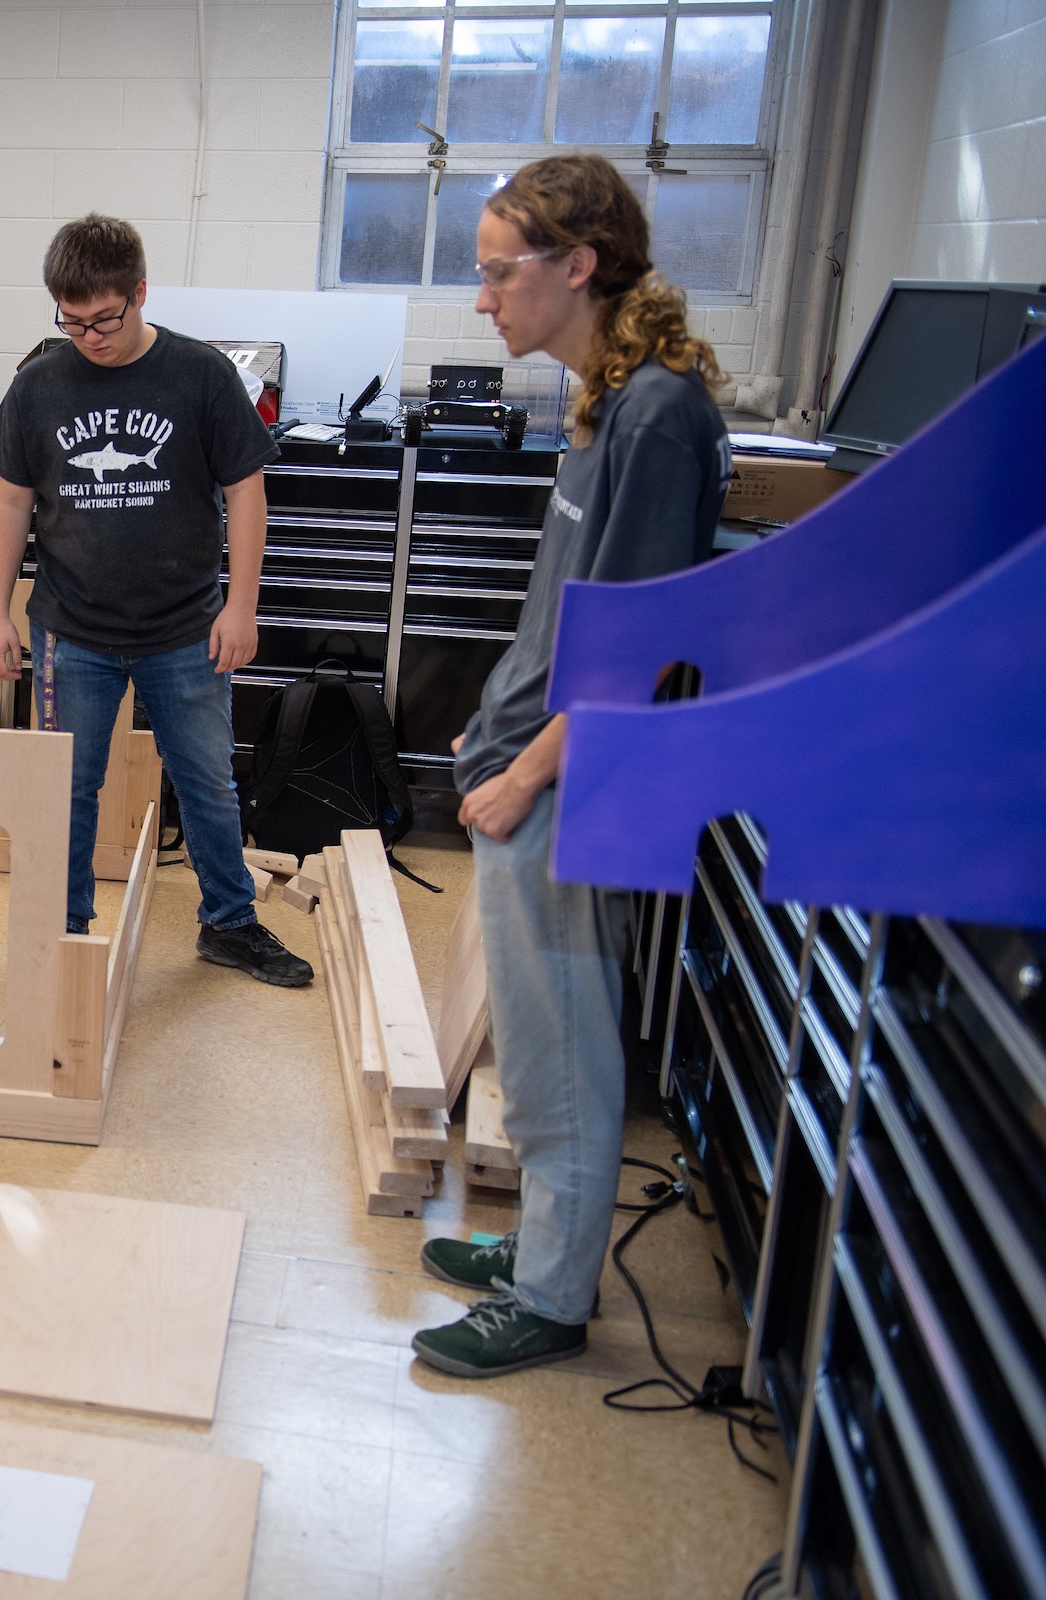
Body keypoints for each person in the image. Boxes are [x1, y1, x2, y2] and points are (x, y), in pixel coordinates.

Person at [411, 155, 731, 1378]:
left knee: (562, 1041)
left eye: (499, 272)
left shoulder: (658, 413)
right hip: (527, 754)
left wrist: (528, 770)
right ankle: (544, 1239)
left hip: (572, 780)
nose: (484, 298)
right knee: (533, 1039)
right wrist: (495, 721)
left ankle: (551, 1294)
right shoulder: (601, 395)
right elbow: (569, 615)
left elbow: (638, 651)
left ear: (578, 264)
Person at [0, 214, 312, 987]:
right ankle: (62, 933)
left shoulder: (199, 376)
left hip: (187, 628)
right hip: (71, 630)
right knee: (66, 788)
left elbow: (247, 493)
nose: (90, 335)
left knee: (207, 784)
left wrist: (242, 605)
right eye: (72, 320)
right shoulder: (39, 384)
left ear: (140, 292)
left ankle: (228, 923)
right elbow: (10, 504)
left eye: (106, 318)